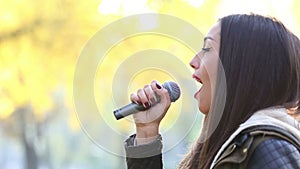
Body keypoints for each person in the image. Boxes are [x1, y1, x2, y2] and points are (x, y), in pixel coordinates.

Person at [124, 14, 300, 169]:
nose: (193, 61)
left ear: (241, 67)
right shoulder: (234, 147)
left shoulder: (269, 148)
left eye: (207, 49)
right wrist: (147, 132)